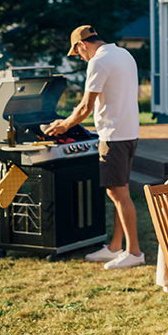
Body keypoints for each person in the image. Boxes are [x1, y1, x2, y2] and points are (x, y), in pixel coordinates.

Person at [46, 25, 144, 269]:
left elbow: (85, 107)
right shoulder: (123, 54)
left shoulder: (98, 62)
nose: (80, 57)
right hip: (130, 133)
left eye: (78, 52)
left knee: (118, 194)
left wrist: (63, 126)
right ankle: (115, 247)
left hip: (113, 137)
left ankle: (134, 252)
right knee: (119, 192)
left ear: (82, 44)